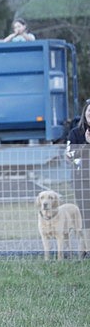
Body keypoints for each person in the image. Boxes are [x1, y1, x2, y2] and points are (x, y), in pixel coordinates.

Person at [65, 98, 90, 254]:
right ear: (85, 113)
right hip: (82, 180)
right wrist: (86, 144)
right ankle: (85, 249)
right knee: (85, 215)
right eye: (89, 111)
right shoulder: (75, 133)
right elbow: (69, 155)